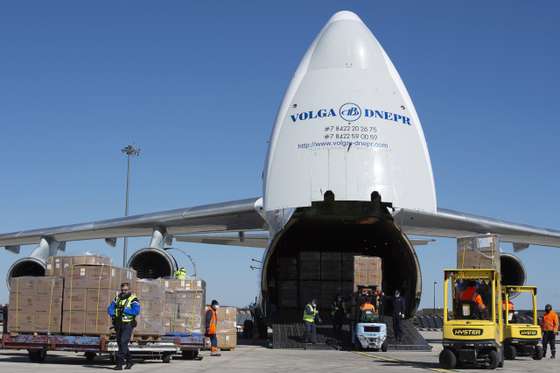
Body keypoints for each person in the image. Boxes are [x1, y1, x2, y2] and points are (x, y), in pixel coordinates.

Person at [107, 282, 141, 370]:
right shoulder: (117, 298)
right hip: (118, 324)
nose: (123, 292)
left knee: (123, 342)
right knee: (121, 344)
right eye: (122, 290)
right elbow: (110, 307)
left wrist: (125, 310)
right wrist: (112, 313)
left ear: (129, 290)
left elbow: (136, 311)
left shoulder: (134, 299)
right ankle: (130, 361)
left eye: (125, 290)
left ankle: (119, 364)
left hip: (128, 324)